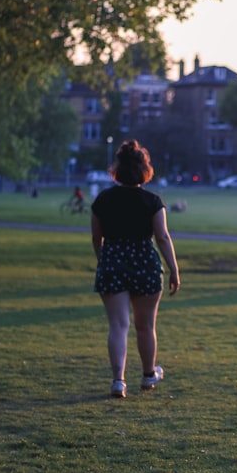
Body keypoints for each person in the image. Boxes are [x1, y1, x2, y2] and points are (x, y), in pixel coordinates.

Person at [91, 140, 180, 399]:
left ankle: (118, 381)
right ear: (144, 169)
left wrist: (105, 261)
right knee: (145, 326)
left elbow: (97, 239)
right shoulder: (152, 201)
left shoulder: (103, 200)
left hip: (112, 263)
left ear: (117, 169)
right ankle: (148, 375)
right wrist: (174, 269)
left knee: (118, 326)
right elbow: (162, 237)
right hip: (145, 265)